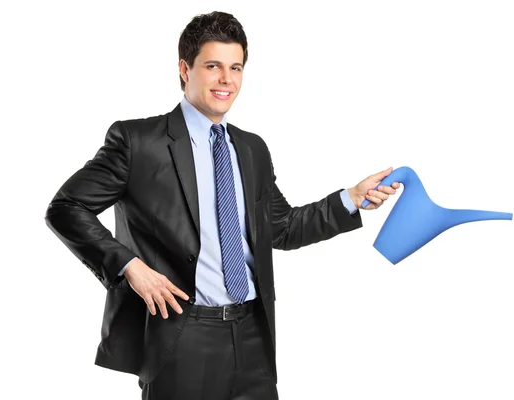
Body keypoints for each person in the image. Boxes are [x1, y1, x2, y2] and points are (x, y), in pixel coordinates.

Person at [45, 10, 400, 400]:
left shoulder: (251, 149)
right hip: (181, 337)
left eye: (236, 67)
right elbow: (67, 207)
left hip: (252, 336)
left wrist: (350, 198)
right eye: (213, 66)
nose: (226, 80)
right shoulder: (139, 142)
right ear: (185, 69)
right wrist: (131, 268)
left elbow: (281, 228)